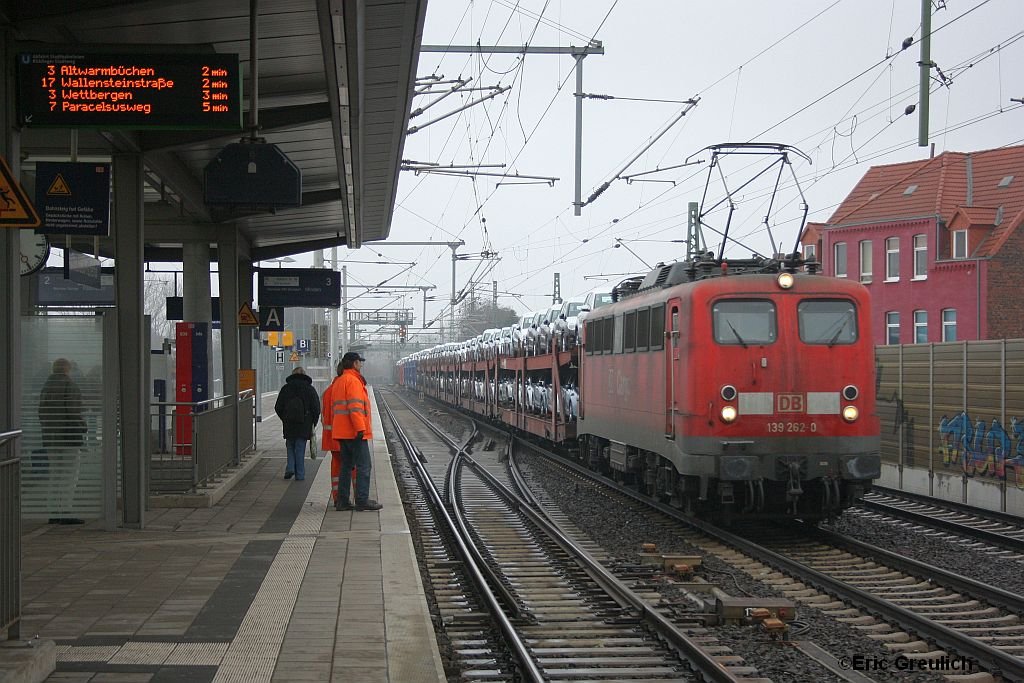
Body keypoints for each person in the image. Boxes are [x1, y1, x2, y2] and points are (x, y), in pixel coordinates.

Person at [329, 352, 382, 511]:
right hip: (354, 432)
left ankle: (342, 501)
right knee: (364, 465)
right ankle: (362, 500)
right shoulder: (353, 381)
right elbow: (355, 407)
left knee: (346, 466)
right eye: (360, 362)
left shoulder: (339, 381)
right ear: (354, 363)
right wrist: (360, 428)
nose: (361, 364)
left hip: (342, 432)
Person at [38, 358, 85, 524]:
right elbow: (73, 412)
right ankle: (65, 510)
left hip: (50, 438)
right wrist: (83, 426)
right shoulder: (69, 385)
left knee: (55, 474)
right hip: (67, 437)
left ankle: (54, 510)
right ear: (67, 369)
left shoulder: (46, 387)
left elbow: (41, 413)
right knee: (69, 474)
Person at [274, 366, 320, 481]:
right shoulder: (309, 389)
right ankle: (300, 474)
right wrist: (313, 422)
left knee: (290, 445)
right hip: (304, 424)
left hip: (289, 423)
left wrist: (284, 418)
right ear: (304, 375)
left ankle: (290, 467)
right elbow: (316, 408)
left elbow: (278, 407)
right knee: (300, 448)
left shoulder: (286, 388)